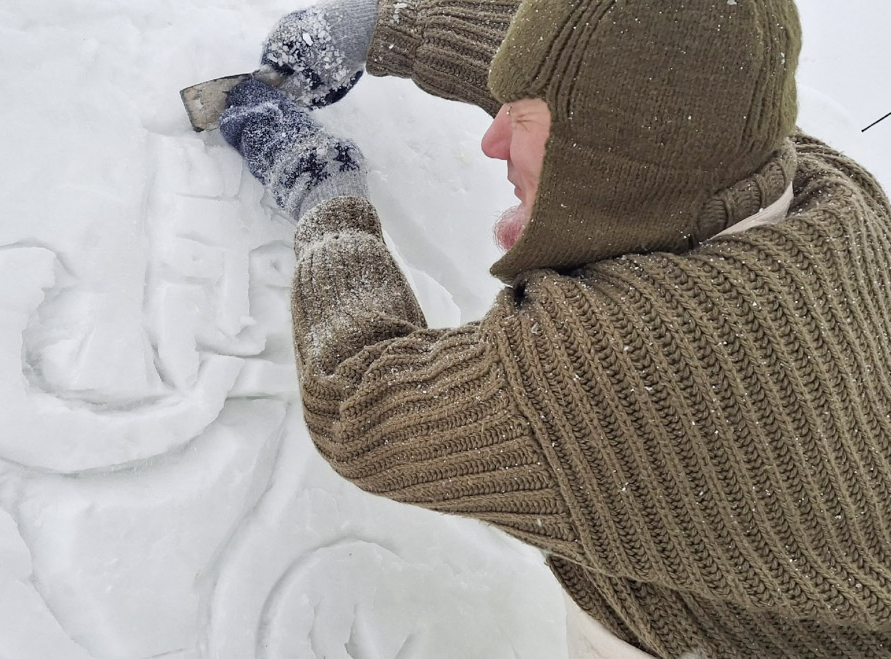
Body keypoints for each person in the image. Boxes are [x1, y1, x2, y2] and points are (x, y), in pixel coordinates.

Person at [218, 0, 891, 657]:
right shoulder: (828, 190)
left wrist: (324, 195)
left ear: (611, 159)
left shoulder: (615, 368)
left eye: (528, 120)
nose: (493, 139)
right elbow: (634, 75)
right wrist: (387, 28)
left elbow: (361, 401)